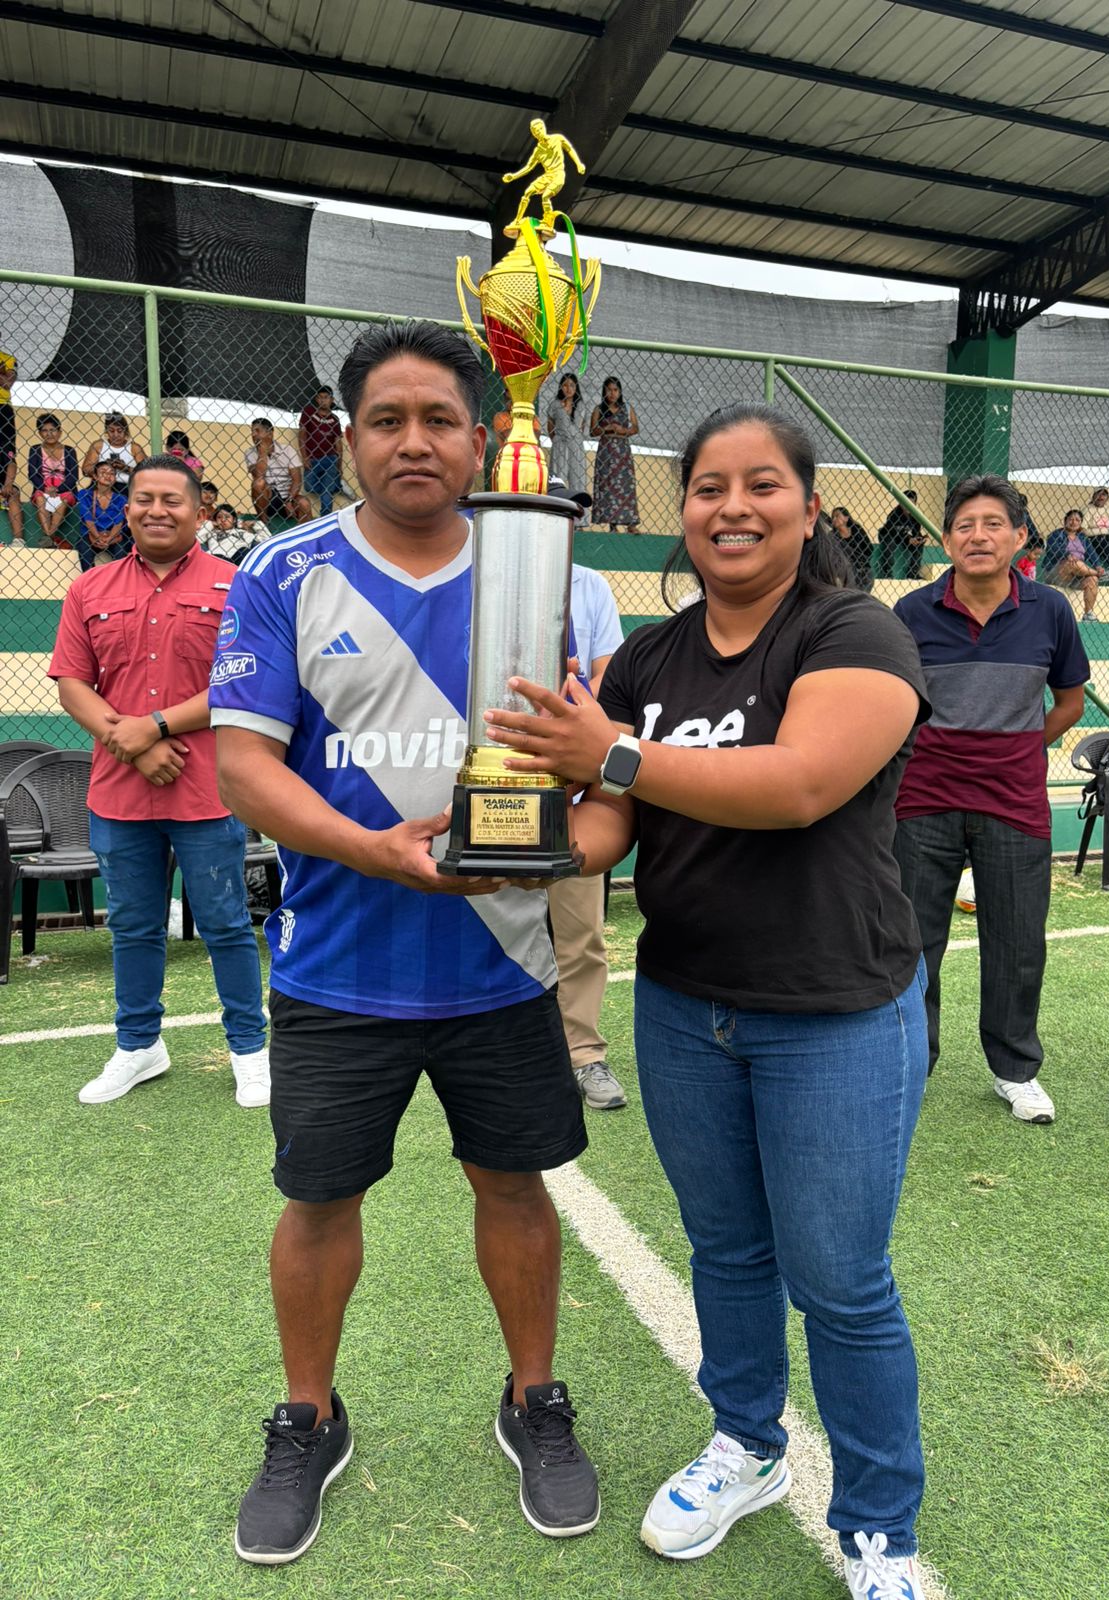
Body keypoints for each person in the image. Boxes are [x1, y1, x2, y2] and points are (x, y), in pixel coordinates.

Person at [486, 403, 934, 1597]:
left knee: (840, 1281)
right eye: (708, 488)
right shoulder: (646, 659)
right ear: (681, 512)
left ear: (809, 505)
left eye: (762, 485)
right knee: (728, 1251)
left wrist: (608, 752)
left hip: (835, 1011)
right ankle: (748, 1443)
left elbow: (799, 784)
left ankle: (880, 1526)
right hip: (688, 1007)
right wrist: (510, 844)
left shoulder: (856, 632)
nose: (733, 507)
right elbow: (609, 825)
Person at [210, 321, 598, 1566]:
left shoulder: (548, 572)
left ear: (483, 437)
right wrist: (377, 851)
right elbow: (244, 767)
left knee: (514, 1185)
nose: (414, 442)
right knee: (318, 1199)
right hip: (337, 968)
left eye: (439, 419)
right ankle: (308, 1418)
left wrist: (564, 844)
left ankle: (533, 1398)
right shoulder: (281, 572)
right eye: (388, 420)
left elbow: (589, 764)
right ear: (349, 438)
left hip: (503, 963)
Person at [47, 455, 269, 1110]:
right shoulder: (89, 588)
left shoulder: (235, 586)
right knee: (133, 926)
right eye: (143, 498)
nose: (156, 510)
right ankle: (139, 1045)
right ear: (127, 509)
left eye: (172, 500)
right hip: (119, 791)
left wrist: (156, 726)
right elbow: (72, 684)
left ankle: (249, 1049)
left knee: (226, 922)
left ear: (199, 512)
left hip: (207, 790)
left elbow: (241, 680)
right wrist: (134, 744)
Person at [892, 474, 1088, 1124]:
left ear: (1020, 536)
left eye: (993, 523)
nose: (979, 536)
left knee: (1017, 942)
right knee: (912, 941)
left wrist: (1019, 746)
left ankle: (1015, 1070)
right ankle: (909, 1062)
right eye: (965, 526)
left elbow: (1069, 702)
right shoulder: (911, 613)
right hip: (924, 800)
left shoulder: (1050, 610)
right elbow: (890, 704)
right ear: (947, 540)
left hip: (1015, 802)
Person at [552, 541, 627, 1110]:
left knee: (580, 930)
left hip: (568, 786)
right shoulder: (468, 573)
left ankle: (583, 1052)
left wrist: (563, 714)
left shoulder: (588, 584)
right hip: (488, 778)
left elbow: (607, 678)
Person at [590, 376, 639, 532]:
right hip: (606, 452)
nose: (612, 393)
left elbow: (635, 428)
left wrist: (623, 430)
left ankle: (630, 523)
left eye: (615, 390)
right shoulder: (599, 409)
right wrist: (607, 428)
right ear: (604, 392)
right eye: (609, 390)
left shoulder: (627, 408)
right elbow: (592, 431)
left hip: (622, 451)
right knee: (608, 485)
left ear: (620, 391)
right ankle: (613, 524)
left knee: (626, 485)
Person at [28, 412, 79, 549]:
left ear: (60, 432)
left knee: (65, 499)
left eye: (53, 430)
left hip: (64, 489)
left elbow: (73, 476)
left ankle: (48, 536)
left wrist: (58, 489)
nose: (49, 434)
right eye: (44, 430)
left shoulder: (69, 451)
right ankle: (50, 536)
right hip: (42, 488)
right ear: (40, 433)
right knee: (40, 498)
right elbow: (32, 474)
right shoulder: (35, 449)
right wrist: (45, 488)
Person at [1044, 509, 1105, 620]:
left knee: (1093, 579)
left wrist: (1098, 565)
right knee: (1073, 563)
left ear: (1081, 523)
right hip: (1058, 573)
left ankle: (1088, 614)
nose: (1074, 522)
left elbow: (1092, 553)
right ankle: (1100, 574)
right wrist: (1067, 554)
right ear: (1065, 521)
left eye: (1077, 520)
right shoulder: (1056, 534)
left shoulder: (1083, 538)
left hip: (1077, 575)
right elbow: (1053, 549)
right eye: (1071, 519)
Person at [75, 458, 131, 570]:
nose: (108, 475)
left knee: (121, 551)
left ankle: (118, 579)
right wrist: (97, 537)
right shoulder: (85, 494)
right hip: (91, 534)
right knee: (84, 548)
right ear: (95, 476)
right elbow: (88, 519)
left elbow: (119, 522)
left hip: (113, 535)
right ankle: (90, 578)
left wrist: (109, 539)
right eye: (103, 472)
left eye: (112, 473)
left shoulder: (121, 499)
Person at [298, 385, 344, 516]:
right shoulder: (309, 412)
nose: (323, 400)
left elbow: (338, 443)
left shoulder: (334, 419)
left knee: (327, 491)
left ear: (332, 400)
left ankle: (325, 517)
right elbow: (302, 435)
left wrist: (339, 465)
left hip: (331, 458)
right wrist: (304, 457)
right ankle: (336, 486)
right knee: (309, 486)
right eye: (320, 397)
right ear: (316, 399)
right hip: (313, 458)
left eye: (326, 397)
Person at [245, 417, 301, 521]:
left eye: (257, 431)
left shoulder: (288, 450)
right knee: (259, 483)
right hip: (267, 497)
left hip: (288, 495)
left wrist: (289, 500)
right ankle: (263, 521)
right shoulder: (250, 452)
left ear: (270, 434)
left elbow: (297, 481)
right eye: (252, 431)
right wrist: (262, 453)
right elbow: (258, 476)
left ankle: (307, 529)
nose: (253, 434)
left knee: (304, 503)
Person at [547, 375, 589, 502]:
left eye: (572, 385)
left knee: (577, 479)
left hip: (576, 446)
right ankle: (556, 506)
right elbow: (550, 427)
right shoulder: (555, 405)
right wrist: (558, 440)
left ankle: (578, 510)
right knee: (558, 478)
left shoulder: (581, 405)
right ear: (560, 387)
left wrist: (574, 438)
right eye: (565, 385)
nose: (568, 389)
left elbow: (582, 427)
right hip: (560, 444)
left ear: (576, 388)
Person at [82, 412, 145, 489]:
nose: (115, 435)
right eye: (111, 431)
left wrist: (126, 468)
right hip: (101, 485)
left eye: (119, 431)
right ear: (106, 431)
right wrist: (104, 466)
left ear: (125, 431)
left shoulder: (134, 448)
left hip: (126, 486)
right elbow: (85, 470)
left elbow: (146, 473)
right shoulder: (98, 445)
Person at [877, 489, 925, 581]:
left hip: (904, 538)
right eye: (905, 503)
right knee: (890, 542)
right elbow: (892, 531)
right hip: (889, 535)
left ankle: (913, 573)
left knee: (919, 544)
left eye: (911, 504)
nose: (908, 506)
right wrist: (908, 539)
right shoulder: (894, 514)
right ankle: (887, 572)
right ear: (900, 502)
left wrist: (919, 539)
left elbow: (916, 532)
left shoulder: (916, 515)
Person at [1, 344, 21, 541]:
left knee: (7, 449)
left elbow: (7, 383)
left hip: (2, 407)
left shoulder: (7, 358)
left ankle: (18, 540)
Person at [829, 505, 874, 591]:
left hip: (863, 568)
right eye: (833, 517)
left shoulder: (857, 530)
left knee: (868, 578)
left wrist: (861, 560)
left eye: (837, 516)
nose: (834, 519)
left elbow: (869, 548)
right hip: (846, 570)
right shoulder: (832, 536)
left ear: (846, 518)